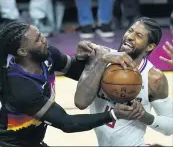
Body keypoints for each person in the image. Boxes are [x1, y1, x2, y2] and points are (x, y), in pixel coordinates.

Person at [0, 21, 137, 147]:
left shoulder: (47, 55)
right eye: (37, 39)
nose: (44, 39)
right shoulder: (19, 86)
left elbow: (76, 71)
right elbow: (68, 123)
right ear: (23, 52)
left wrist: (87, 58)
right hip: (6, 144)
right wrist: (113, 114)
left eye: (41, 34)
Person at [74, 17, 173, 146]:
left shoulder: (154, 78)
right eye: (130, 30)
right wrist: (101, 61)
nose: (130, 36)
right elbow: (80, 103)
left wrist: (144, 116)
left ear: (150, 46)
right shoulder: (102, 57)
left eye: (138, 35)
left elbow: (170, 127)